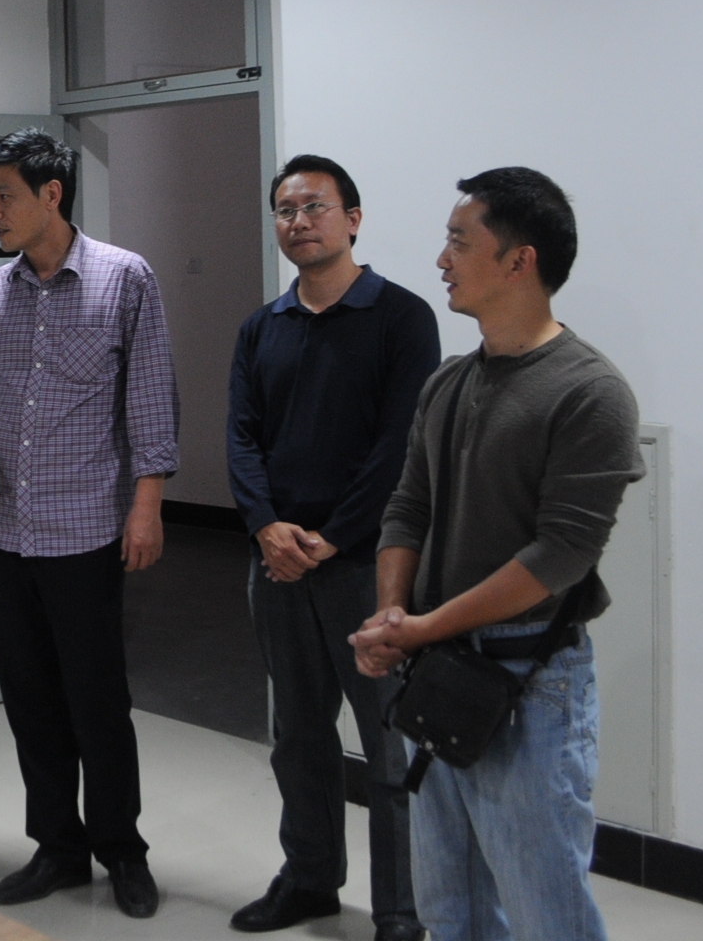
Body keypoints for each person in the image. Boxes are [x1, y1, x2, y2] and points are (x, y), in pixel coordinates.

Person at [351, 168, 642, 941]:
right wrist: (394, 615)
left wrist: (421, 627)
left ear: (520, 260)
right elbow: (408, 507)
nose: (441, 259)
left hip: (531, 684)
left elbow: (560, 555)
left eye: (459, 241)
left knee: (548, 911)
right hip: (436, 670)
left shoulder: (590, 393)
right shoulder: (448, 383)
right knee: (452, 909)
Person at [0, 128, 178, 920]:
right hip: (5, 528)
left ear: (51, 194)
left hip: (84, 528)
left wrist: (147, 506)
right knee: (30, 699)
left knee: (96, 701)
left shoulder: (125, 278)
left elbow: (150, 399)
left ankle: (122, 849)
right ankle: (57, 846)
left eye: (5, 196)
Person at [227, 155, 439, 941]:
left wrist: (332, 536)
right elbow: (241, 438)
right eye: (285, 210)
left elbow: (399, 446)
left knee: (390, 746)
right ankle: (310, 878)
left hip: (368, 567)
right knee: (299, 736)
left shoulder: (403, 317)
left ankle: (401, 912)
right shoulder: (263, 327)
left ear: (352, 219)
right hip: (278, 565)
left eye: (314, 206)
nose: (299, 222)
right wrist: (266, 527)